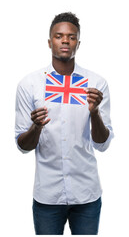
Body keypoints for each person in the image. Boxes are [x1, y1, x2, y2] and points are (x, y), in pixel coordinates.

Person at [15, 12, 114, 235]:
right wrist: (36, 127)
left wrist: (95, 113)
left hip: (86, 193)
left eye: (71, 36)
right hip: (47, 195)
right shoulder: (30, 84)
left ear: (78, 42)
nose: (65, 41)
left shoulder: (96, 84)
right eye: (59, 36)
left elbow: (103, 144)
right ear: (50, 42)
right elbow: (22, 145)